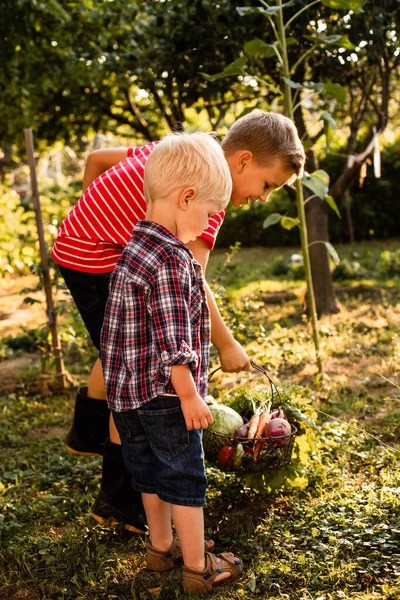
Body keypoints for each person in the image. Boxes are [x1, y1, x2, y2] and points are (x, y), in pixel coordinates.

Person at [51, 109, 305, 533]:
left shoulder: (176, 150)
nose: (263, 197)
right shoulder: (207, 196)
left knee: (123, 347)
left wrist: (95, 215)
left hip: (80, 246)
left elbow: (97, 160)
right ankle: (120, 499)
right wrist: (226, 343)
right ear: (241, 161)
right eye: (267, 185)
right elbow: (192, 282)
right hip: (93, 261)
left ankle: (86, 428)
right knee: (140, 373)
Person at [101, 131, 243, 593]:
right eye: (206, 212)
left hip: (127, 396)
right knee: (183, 475)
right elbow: (173, 338)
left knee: (146, 472)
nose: (205, 224)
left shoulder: (133, 248)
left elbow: (119, 331)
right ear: (186, 197)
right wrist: (189, 395)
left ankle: (160, 549)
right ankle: (199, 567)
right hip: (165, 395)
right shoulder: (173, 259)